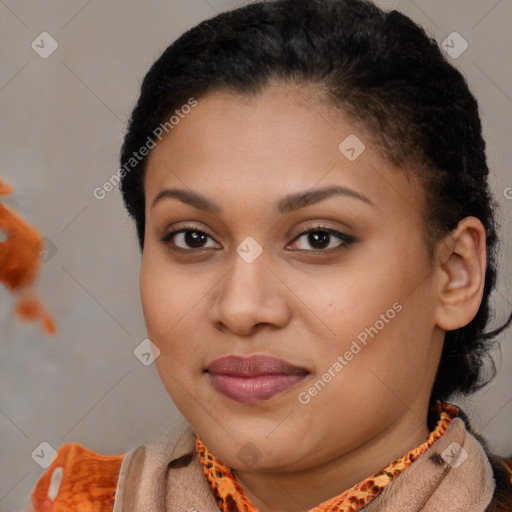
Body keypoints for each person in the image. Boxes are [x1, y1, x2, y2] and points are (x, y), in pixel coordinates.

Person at [27, 0, 512, 510]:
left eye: (318, 239)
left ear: (455, 274)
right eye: (193, 239)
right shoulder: (77, 499)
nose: (240, 308)